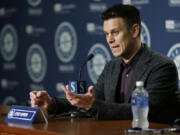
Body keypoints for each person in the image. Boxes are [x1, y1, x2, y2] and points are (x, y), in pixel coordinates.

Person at [30, 4, 180, 123]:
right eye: (106, 34)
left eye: (115, 32)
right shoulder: (111, 66)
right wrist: (51, 104)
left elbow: (145, 110)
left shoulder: (161, 66)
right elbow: (88, 102)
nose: (109, 40)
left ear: (135, 31)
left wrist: (92, 105)